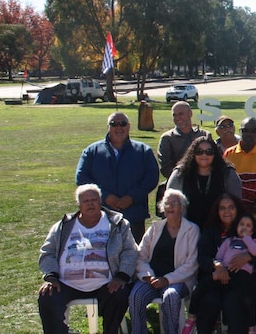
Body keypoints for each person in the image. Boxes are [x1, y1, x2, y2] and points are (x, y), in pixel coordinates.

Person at [38, 184, 137, 334]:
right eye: (85, 201)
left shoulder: (118, 224)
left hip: (107, 283)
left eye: (94, 200)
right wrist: (51, 276)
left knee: (120, 294)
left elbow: (130, 251)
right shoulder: (63, 226)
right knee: (47, 295)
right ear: (78, 204)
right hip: (66, 283)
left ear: (100, 201)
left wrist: (121, 276)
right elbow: (48, 252)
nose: (90, 204)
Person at [76, 112, 160, 242]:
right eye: (114, 124)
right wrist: (105, 197)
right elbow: (82, 178)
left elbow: (152, 177)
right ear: (108, 127)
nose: (119, 127)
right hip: (101, 214)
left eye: (123, 124)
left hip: (134, 214)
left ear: (129, 126)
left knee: (134, 254)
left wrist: (132, 197)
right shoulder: (92, 151)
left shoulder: (143, 151)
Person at [130, 189, 200, 334]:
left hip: (178, 280)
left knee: (171, 297)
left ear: (182, 208)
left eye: (174, 203)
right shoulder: (154, 229)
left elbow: (192, 264)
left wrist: (167, 279)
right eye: (167, 203)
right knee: (136, 296)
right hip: (152, 279)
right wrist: (148, 276)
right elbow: (141, 256)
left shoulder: (192, 230)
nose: (169, 206)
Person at [189, 194, 256, 334]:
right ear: (217, 212)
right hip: (217, 278)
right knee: (210, 300)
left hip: (241, 281)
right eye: (222, 208)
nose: (226, 211)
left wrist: (248, 257)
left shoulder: (248, 226)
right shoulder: (211, 230)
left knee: (233, 301)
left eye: (231, 207)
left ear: (237, 209)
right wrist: (217, 265)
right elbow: (203, 256)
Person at [167, 136, 242, 227]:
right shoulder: (180, 174)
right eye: (199, 151)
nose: (204, 155)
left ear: (215, 154)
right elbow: (169, 204)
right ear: (193, 154)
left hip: (220, 229)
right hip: (186, 229)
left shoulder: (227, 173)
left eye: (209, 152)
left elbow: (237, 204)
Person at [158, 101, 210, 179]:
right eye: (174, 115)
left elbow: (213, 160)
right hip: (178, 182)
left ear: (190, 114)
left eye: (181, 114)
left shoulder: (204, 135)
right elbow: (166, 167)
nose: (177, 118)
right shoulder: (167, 138)